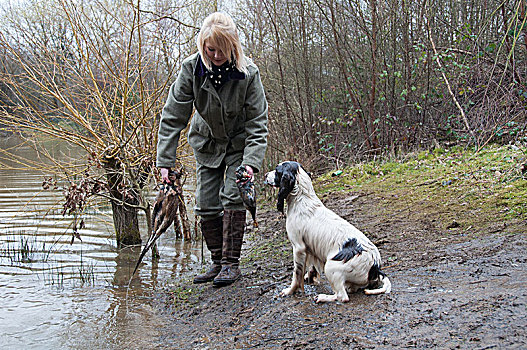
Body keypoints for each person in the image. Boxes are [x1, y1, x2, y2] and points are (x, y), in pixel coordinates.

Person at [156, 12, 268, 287]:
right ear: (203, 46)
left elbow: (258, 121)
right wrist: (165, 161)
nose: (216, 55)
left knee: (232, 196)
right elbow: (173, 116)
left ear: (233, 46)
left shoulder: (248, 73)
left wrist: (251, 163)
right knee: (205, 204)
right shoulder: (191, 69)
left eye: (222, 49)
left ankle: (231, 264)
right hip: (206, 144)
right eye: (210, 49)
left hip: (239, 146)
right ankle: (217, 263)